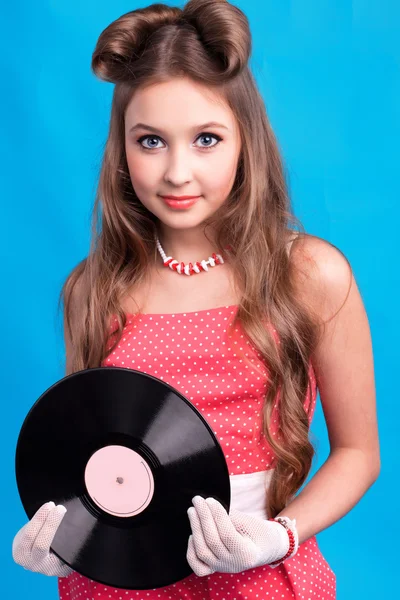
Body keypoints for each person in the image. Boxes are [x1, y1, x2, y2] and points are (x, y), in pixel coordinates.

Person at [12, 0, 380, 598]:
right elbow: (93, 452)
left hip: (257, 580)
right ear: (121, 149)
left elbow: (360, 453)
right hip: (121, 583)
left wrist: (277, 536)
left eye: (206, 138)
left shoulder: (310, 272)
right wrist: (65, 534)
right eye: (151, 140)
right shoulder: (94, 288)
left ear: (245, 141)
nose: (178, 172)